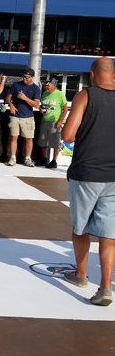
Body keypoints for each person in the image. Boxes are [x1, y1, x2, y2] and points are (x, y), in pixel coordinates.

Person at [62, 57, 115, 306]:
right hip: (113, 176)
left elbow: (68, 135)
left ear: (92, 75)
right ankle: (105, 287)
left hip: (86, 172)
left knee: (80, 229)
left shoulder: (86, 95)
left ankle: (81, 275)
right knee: (109, 235)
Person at [6, 68, 41, 167]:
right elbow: (8, 97)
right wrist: (11, 105)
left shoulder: (36, 88)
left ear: (32, 77)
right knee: (14, 137)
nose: (24, 79)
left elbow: (36, 105)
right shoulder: (16, 85)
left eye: (27, 77)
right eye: (23, 77)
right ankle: (13, 157)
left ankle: (28, 158)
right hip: (15, 116)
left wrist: (25, 98)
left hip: (28, 117)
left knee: (29, 139)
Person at [39, 78, 68, 169]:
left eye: (48, 85)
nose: (46, 87)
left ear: (54, 85)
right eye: (45, 85)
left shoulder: (60, 94)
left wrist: (60, 120)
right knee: (43, 141)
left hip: (55, 121)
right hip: (44, 120)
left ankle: (54, 161)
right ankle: (44, 159)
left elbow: (65, 108)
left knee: (55, 142)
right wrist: (41, 109)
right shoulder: (44, 93)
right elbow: (42, 106)